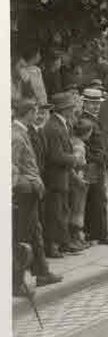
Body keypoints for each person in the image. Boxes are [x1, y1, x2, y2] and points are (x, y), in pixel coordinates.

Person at [12, 98, 63, 294]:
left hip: (31, 192)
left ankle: (42, 273)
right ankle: (16, 283)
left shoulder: (21, 132)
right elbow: (12, 169)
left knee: (35, 233)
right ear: (28, 113)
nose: (37, 115)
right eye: (35, 112)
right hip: (24, 194)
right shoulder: (16, 135)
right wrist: (29, 185)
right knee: (23, 237)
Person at [42, 92, 84, 257]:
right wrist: (75, 158)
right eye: (71, 108)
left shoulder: (60, 124)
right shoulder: (54, 127)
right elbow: (56, 156)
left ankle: (62, 243)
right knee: (55, 212)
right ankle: (52, 246)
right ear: (65, 109)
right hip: (55, 176)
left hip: (62, 175)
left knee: (62, 210)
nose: (73, 110)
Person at [80, 89, 108, 246]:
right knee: (98, 199)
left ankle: (92, 232)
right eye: (92, 103)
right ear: (85, 103)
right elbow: (83, 145)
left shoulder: (92, 119)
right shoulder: (85, 120)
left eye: (97, 103)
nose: (95, 106)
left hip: (97, 164)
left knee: (95, 199)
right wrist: (97, 159)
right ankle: (102, 234)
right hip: (93, 166)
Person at [68, 118, 93, 248]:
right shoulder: (79, 146)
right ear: (87, 133)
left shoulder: (72, 141)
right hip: (78, 179)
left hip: (75, 179)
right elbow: (76, 162)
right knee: (77, 209)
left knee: (75, 209)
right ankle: (75, 238)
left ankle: (78, 237)